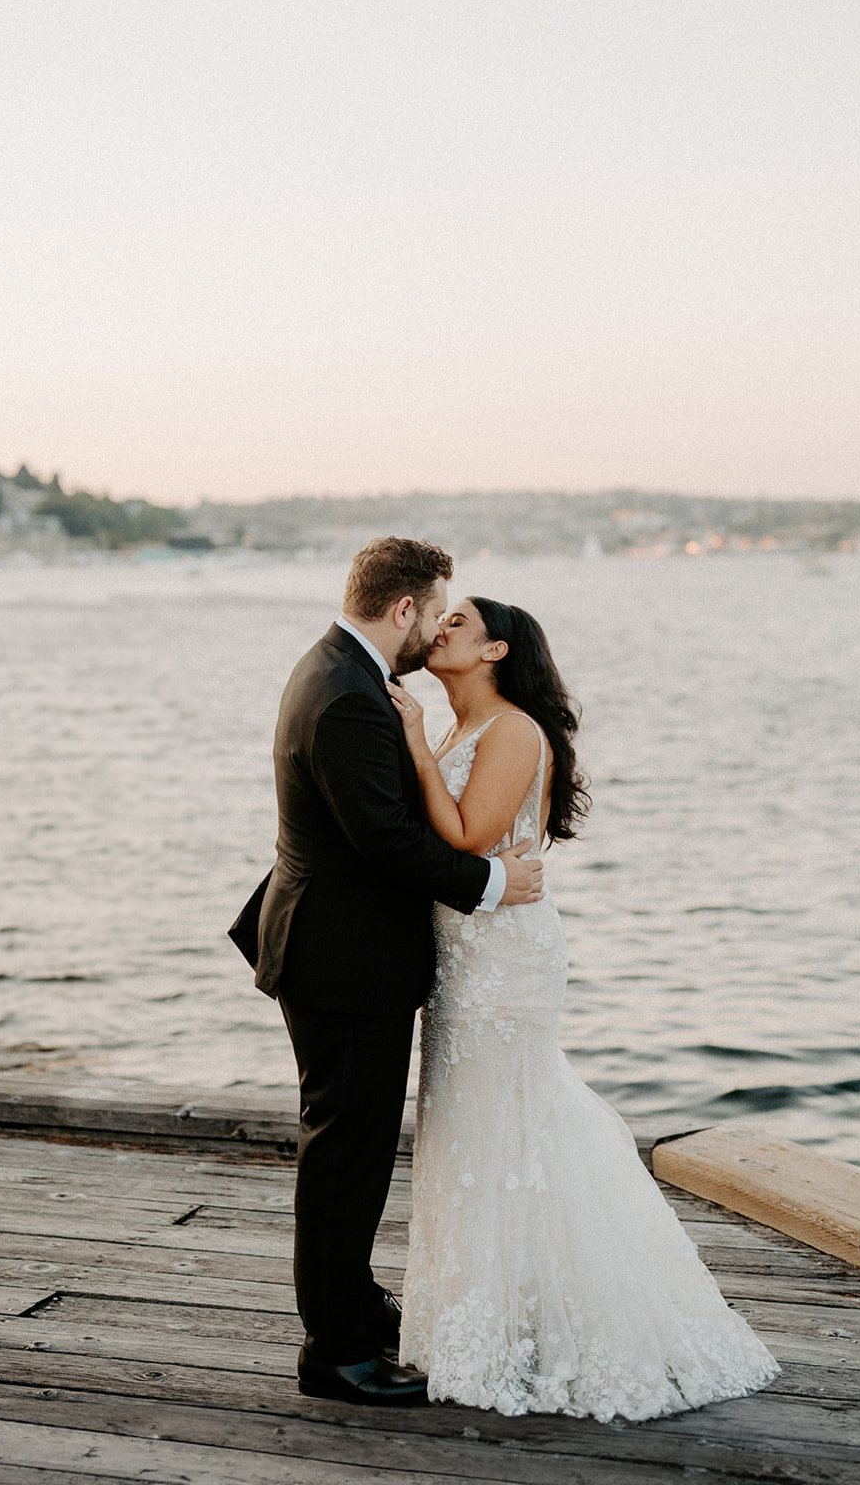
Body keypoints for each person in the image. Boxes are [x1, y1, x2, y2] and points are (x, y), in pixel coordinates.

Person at [387, 596, 780, 1421]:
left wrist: (416, 745)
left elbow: (466, 836)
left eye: (457, 621)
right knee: (469, 1127)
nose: (440, 629)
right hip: (463, 956)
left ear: (496, 649)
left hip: (504, 961)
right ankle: (491, 1315)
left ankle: (580, 1318)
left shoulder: (513, 731)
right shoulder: (459, 731)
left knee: (515, 1117)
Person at [228, 540, 545, 1408]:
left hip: (338, 948)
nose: (435, 628)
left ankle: (355, 1305)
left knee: (351, 1146)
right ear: (402, 609)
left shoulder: (339, 673)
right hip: (342, 958)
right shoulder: (348, 698)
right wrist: (492, 881)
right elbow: (388, 843)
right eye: (433, 611)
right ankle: (337, 1354)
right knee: (346, 1156)